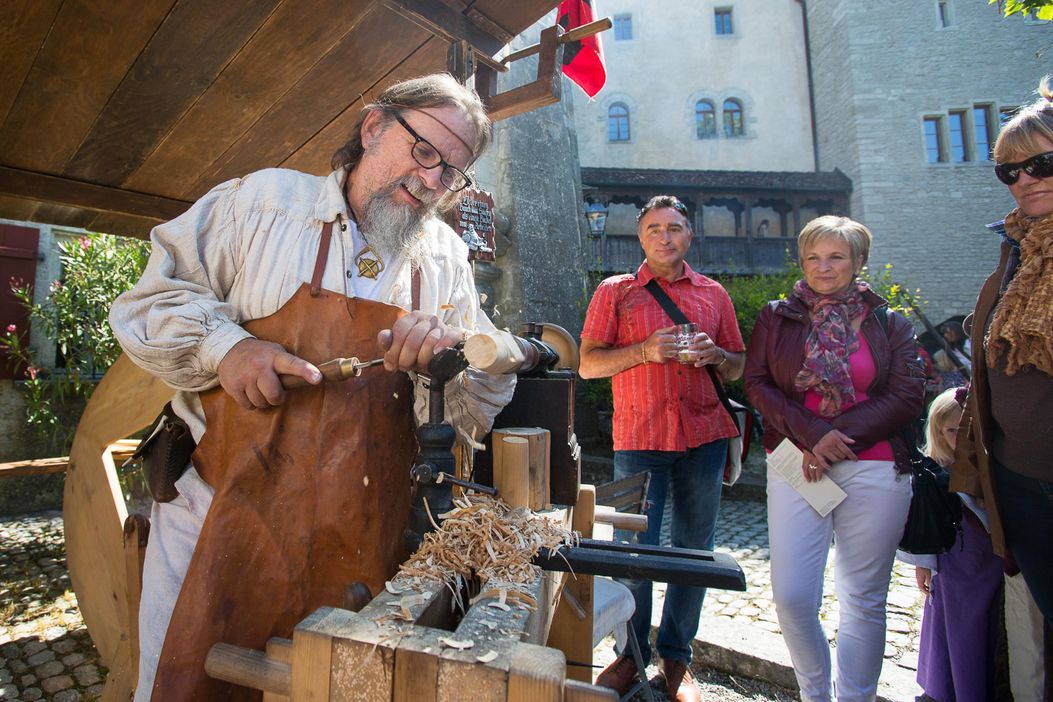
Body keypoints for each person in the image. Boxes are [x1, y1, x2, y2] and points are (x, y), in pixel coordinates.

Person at [109, 73, 514, 700]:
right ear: (374, 127)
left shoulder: (443, 258)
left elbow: (470, 410)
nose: (433, 180)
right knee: (184, 684)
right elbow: (146, 305)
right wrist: (228, 349)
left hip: (359, 538)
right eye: (425, 152)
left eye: (452, 173)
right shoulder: (259, 205)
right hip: (217, 517)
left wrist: (447, 364)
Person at [743, 215, 924, 702]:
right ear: (801, 262)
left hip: (877, 465)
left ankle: (856, 698)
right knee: (793, 596)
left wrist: (833, 437)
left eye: (837, 256)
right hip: (797, 463)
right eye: (814, 257)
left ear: (859, 261)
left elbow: (908, 395)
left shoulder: (890, 322)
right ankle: (814, 693)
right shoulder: (776, 316)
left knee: (863, 598)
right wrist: (812, 434)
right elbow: (756, 385)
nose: (824, 267)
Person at [579, 195, 746, 702]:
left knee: (694, 551)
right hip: (641, 437)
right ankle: (630, 655)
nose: (664, 236)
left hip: (704, 437)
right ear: (641, 237)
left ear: (689, 236)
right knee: (633, 552)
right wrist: (644, 351)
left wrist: (717, 355)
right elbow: (588, 364)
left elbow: (738, 364)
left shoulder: (713, 294)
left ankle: (676, 660)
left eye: (674, 228)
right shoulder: (616, 292)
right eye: (654, 228)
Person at [952, 75, 1053, 626]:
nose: (1024, 180)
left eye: (1041, 163)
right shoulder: (1015, 249)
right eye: (1010, 171)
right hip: (1019, 479)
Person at [904, 387, 1003, 702]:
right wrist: (923, 563)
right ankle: (946, 688)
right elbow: (926, 525)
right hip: (952, 563)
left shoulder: (993, 466)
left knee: (981, 628)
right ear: (937, 431)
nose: (960, 436)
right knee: (950, 626)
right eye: (951, 430)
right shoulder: (936, 473)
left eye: (966, 429)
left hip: (987, 562)